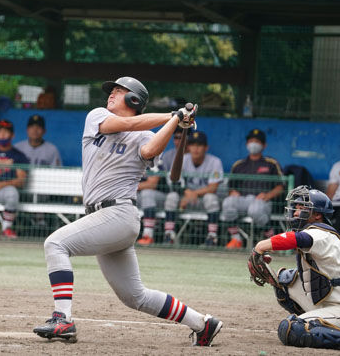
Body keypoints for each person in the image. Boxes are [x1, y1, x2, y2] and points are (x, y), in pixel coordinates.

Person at [33, 77, 222, 346]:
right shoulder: (97, 116)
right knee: (135, 297)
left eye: (118, 91)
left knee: (55, 244)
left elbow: (150, 149)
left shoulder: (146, 135)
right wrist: (175, 115)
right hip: (101, 217)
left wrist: (175, 123)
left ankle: (62, 318)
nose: (111, 94)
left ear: (134, 100)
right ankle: (203, 324)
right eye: (112, 91)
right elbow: (127, 124)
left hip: (119, 213)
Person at [251, 186, 340, 352]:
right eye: (296, 208)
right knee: (285, 279)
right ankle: (314, 323)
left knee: (290, 329)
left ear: (317, 215)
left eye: (303, 208)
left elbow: (298, 239)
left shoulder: (321, 233)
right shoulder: (316, 231)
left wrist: (260, 246)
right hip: (330, 303)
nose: (295, 212)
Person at [222, 129, 284, 249]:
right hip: (243, 200)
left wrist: (268, 195)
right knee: (227, 203)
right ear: (246, 144)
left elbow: (281, 186)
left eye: (257, 141)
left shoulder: (271, 163)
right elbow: (230, 186)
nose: (253, 144)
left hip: (262, 201)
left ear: (264, 145)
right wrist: (232, 192)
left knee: (255, 210)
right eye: (251, 141)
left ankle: (271, 242)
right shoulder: (239, 164)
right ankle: (236, 240)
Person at [136, 127, 183, 245]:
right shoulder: (128, 159)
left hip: (155, 197)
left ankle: (149, 235)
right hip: (131, 197)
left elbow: (152, 184)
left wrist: (130, 186)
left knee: (148, 193)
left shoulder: (155, 160)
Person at [178, 131, 224, 246]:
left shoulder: (215, 161)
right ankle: (169, 235)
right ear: (188, 147)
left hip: (204, 201)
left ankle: (212, 236)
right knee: (172, 197)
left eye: (199, 145)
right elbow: (175, 182)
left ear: (206, 147)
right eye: (192, 144)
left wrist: (193, 193)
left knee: (210, 198)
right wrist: (187, 193)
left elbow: (213, 188)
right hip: (187, 200)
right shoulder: (182, 159)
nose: (195, 148)